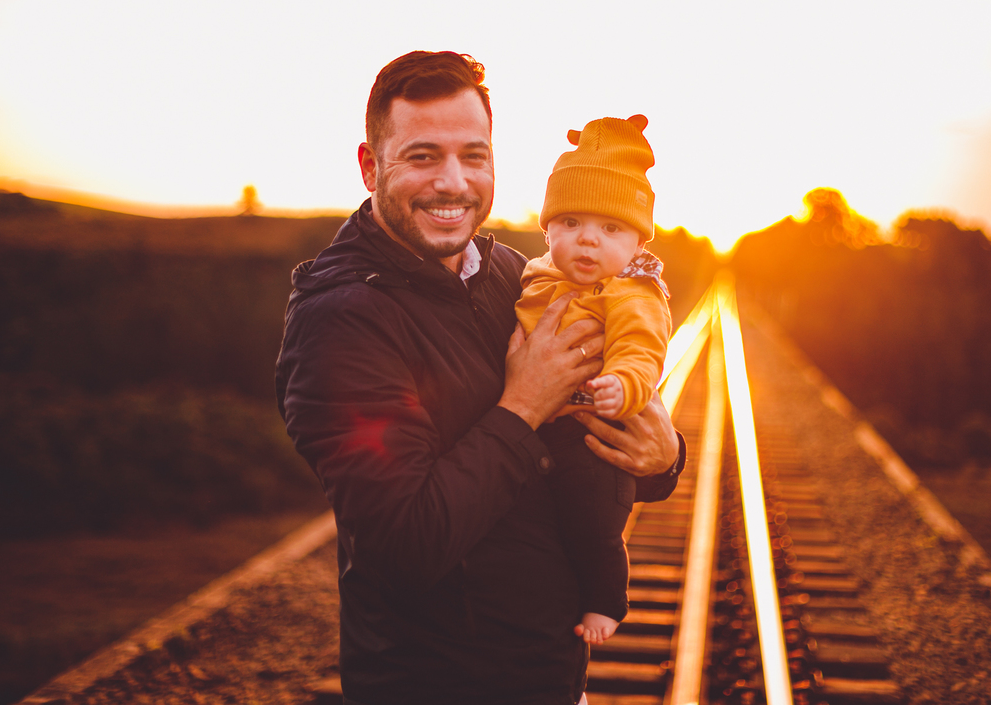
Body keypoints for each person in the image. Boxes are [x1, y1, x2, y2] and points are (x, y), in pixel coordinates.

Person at [274, 50, 685, 705]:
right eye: (422, 156)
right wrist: (522, 406)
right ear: (370, 165)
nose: (453, 182)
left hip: (545, 674)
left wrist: (663, 458)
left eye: (474, 155)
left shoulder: (509, 277)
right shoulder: (344, 323)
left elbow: (575, 457)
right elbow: (405, 542)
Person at [515, 114, 671, 645]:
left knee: (593, 519)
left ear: (635, 244)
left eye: (610, 229)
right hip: (536, 430)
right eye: (572, 223)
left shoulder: (629, 293)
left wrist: (623, 385)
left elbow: (641, 348)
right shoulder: (534, 276)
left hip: (592, 427)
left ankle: (606, 599)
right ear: (549, 229)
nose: (588, 241)